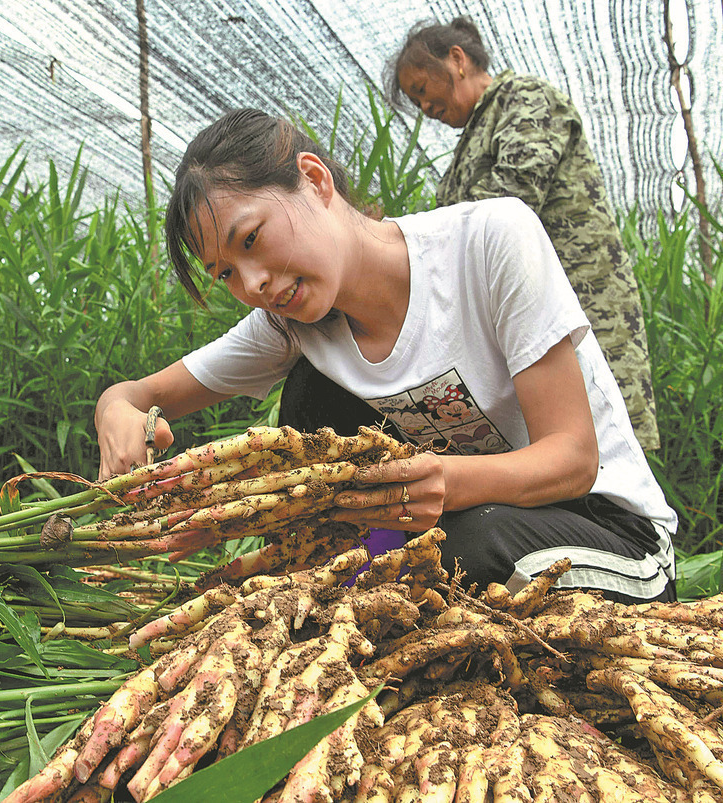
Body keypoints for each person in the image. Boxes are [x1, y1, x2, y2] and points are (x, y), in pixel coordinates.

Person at [94, 109, 677, 604]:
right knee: (312, 398)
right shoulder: (295, 325)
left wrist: (445, 479)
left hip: (607, 528)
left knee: (464, 549)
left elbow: (573, 459)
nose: (254, 283)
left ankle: (386, 578)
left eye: (252, 239)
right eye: (226, 273)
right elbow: (133, 397)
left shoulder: (490, 242)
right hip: (463, 531)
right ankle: (363, 578)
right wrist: (116, 414)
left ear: (314, 180)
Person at [382, 16, 660, 451]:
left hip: (584, 300)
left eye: (421, 89)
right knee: (553, 446)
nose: (424, 108)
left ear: (457, 60)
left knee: (606, 439)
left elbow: (511, 193)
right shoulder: (471, 139)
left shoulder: (524, 98)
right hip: (531, 315)